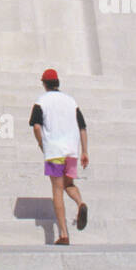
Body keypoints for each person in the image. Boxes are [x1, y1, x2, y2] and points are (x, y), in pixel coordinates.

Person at [29, 68, 89, 245]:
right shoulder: (71, 101)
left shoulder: (41, 101)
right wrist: (85, 151)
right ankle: (80, 203)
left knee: (57, 190)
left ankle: (63, 234)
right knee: (69, 184)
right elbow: (83, 127)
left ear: (44, 84)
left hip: (54, 150)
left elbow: (37, 127)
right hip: (71, 150)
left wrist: (42, 144)